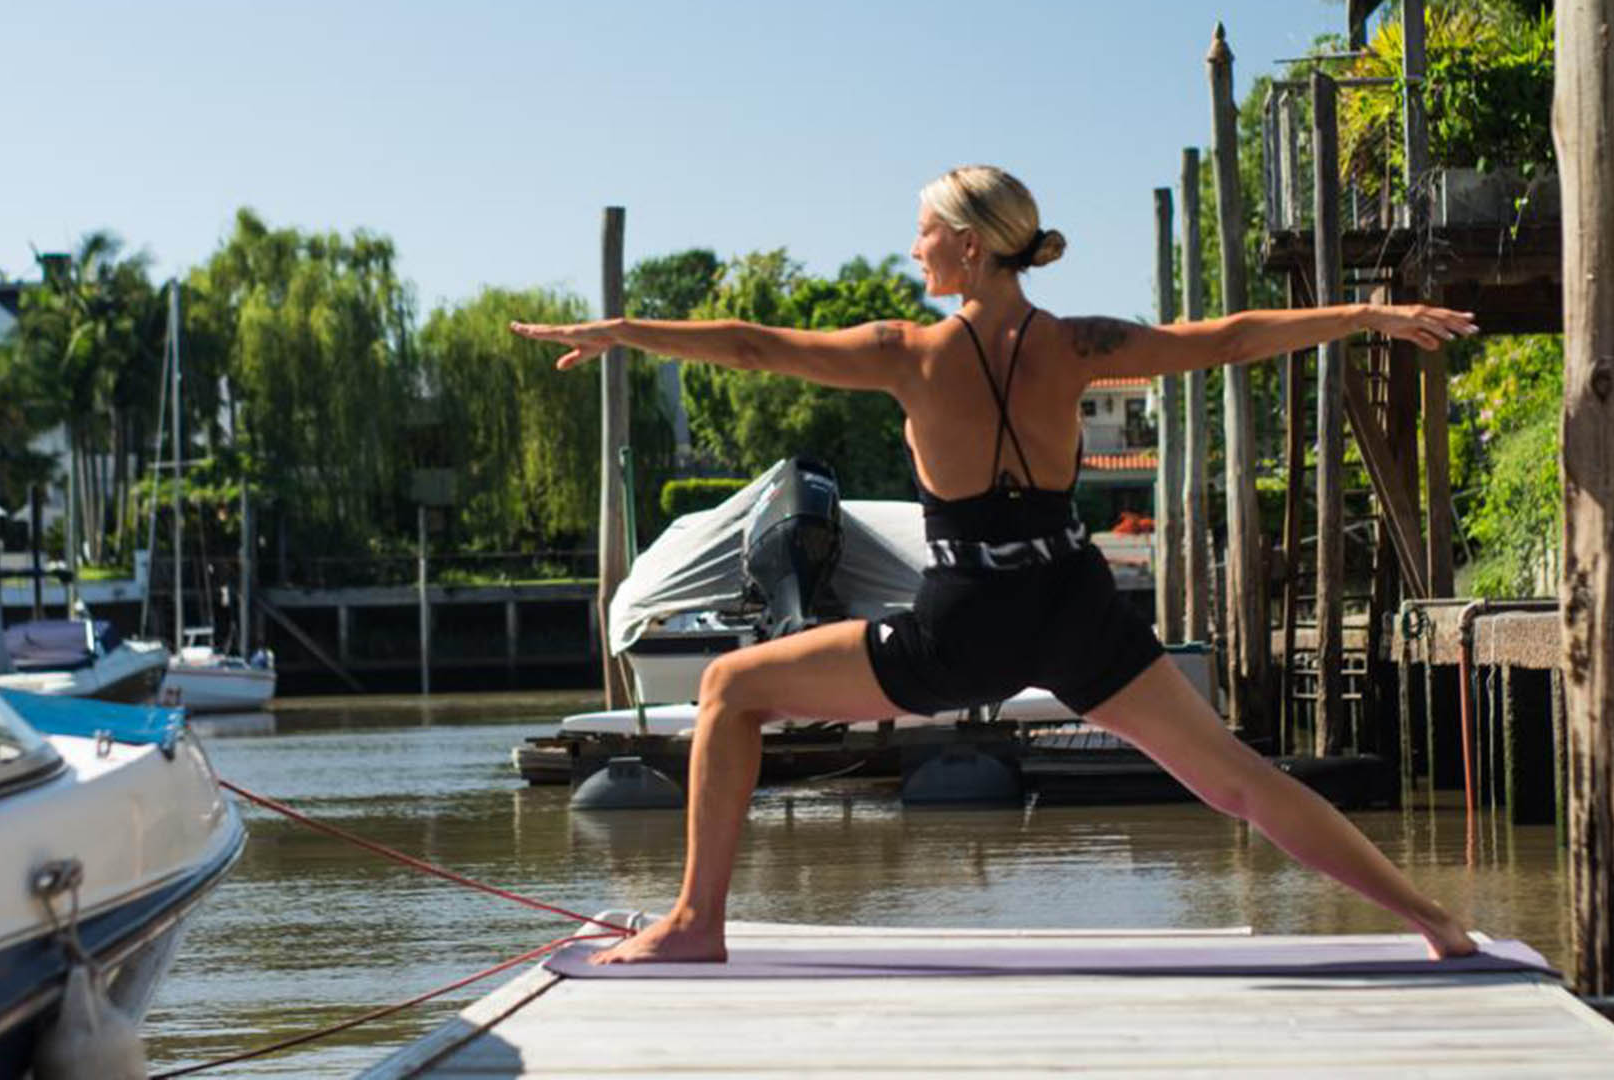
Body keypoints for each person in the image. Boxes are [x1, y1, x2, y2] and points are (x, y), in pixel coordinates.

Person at [511, 165, 1480, 965]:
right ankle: (1434, 924)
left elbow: (755, 346)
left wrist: (626, 332)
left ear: (970, 244)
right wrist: (1362, 315)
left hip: (966, 622)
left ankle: (694, 923)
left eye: (924, 230)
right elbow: (1221, 339)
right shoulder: (1075, 344)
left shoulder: (910, 355)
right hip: (1075, 602)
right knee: (1236, 777)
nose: (915, 246)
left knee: (728, 686)